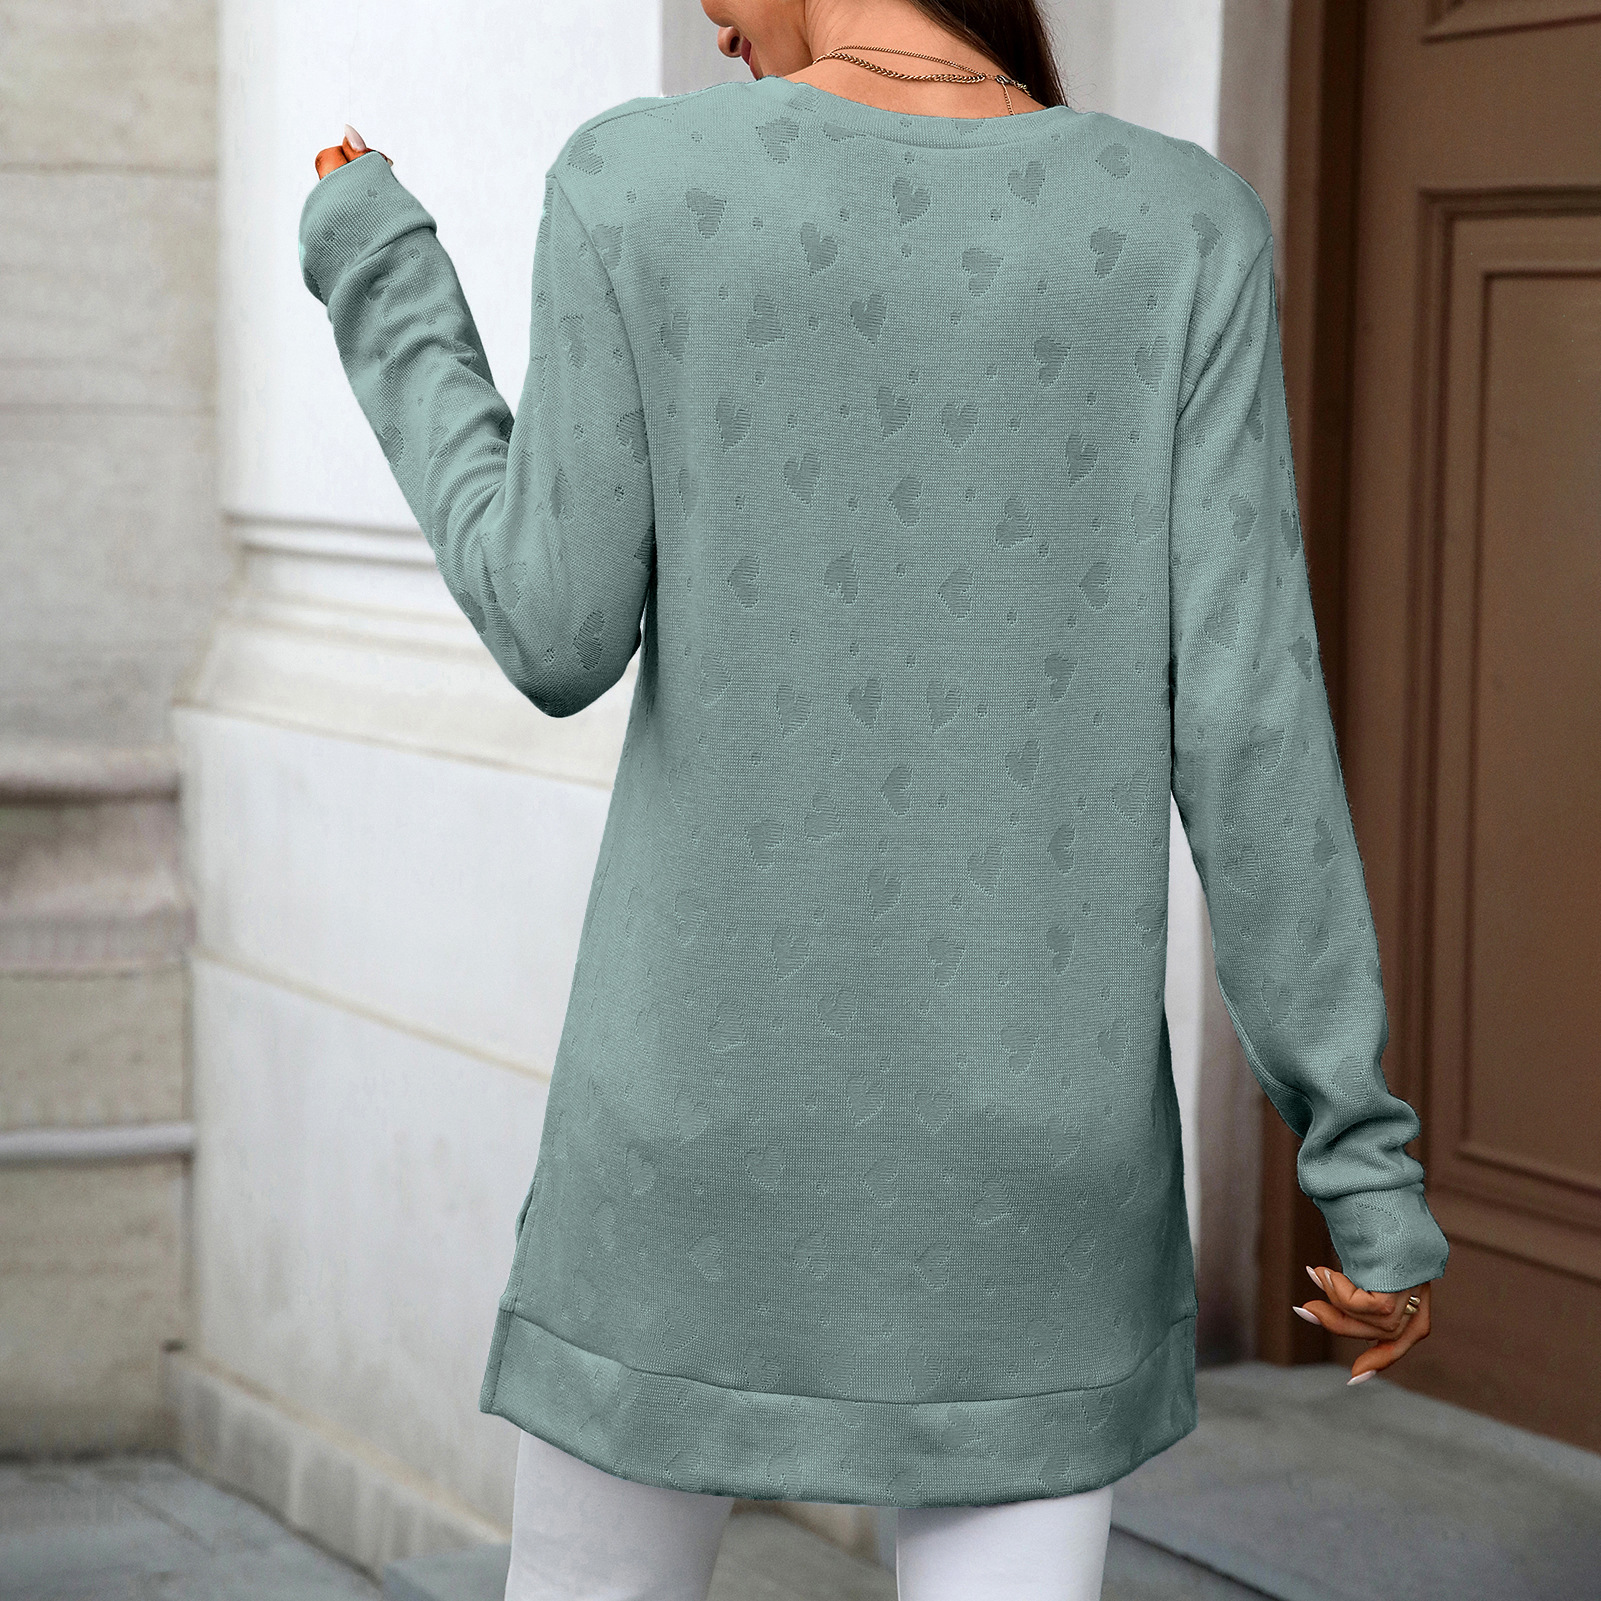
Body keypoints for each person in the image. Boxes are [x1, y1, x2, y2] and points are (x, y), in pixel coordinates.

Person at [299, 2, 1446, 1595]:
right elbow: (1253, 728)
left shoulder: (637, 185)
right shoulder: (1181, 228)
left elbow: (552, 632)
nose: (707, 11)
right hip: (1031, 1182)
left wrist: (380, 269)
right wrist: (1359, 1165)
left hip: (686, 1141)